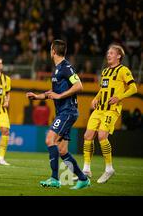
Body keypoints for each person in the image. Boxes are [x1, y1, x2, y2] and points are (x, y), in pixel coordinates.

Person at [26, 39, 90, 189]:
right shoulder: (57, 69)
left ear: (53, 51)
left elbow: (79, 86)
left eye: (50, 49)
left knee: (49, 139)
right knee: (62, 150)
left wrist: (61, 96)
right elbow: (52, 93)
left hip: (68, 111)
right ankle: (83, 179)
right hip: (63, 112)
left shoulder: (66, 67)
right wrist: (37, 96)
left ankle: (54, 178)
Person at [81, 45, 137, 183]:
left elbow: (134, 88)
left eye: (112, 53)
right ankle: (86, 170)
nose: (108, 55)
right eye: (108, 52)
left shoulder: (123, 70)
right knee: (87, 135)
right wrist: (96, 98)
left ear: (119, 56)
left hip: (112, 109)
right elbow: (103, 89)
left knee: (101, 135)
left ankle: (109, 169)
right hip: (99, 108)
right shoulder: (105, 71)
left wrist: (120, 97)